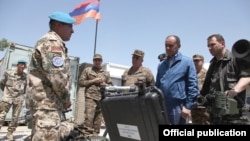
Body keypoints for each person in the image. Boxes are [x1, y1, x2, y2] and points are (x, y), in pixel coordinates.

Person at [25, 11, 76, 140]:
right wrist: (66, 99)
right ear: (58, 25)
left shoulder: (49, 41)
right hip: (47, 105)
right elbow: (57, 77)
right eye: (70, 26)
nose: (72, 31)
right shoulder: (52, 43)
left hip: (45, 104)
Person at [200, 34, 250, 124]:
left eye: (212, 44)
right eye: (208, 46)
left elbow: (246, 77)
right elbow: (206, 89)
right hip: (215, 115)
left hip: (234, 115)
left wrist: (235, 90)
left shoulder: (236, 59)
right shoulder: (212, 64)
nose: (209, 48)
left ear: (222, 43)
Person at [155, 35, 199, 125]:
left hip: (178, 107)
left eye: (170, 45)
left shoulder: (187, 62)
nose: (167, 48)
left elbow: (193, 86)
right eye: (166, 45)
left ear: (179, 46)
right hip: (162, 106)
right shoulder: (161, 65)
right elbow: (157, 86)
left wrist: (188, 106)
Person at [78, 54, 113, 137]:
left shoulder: (106, 73)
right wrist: (93, 81)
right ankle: (86, 138)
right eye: (95, 60)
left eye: (99, 60)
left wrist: (105, 85)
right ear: (93, 61)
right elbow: (81, 83)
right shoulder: (87, 70)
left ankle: (95, 138)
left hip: (101, 99)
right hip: (90, 98)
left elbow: (111, 86)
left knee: (97, 123)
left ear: (101, 61)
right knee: (88, 122)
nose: (97, 62)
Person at [0, 60, 27, 140]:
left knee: (15, 117)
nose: (22, 67)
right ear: (17, 65)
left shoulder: (25, 76)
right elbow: (2, 83)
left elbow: (25, 88)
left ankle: (10, 133)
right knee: (1, 115)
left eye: (24, 65)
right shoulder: (8, 73)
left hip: (18, 99)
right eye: (21, 65)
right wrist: (6, 93)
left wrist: (20, 95)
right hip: (7, 98)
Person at [191, 54, 208, 124]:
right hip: (194, 106)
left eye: (197, 61)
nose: (195, 63)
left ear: (202, 61)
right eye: (194, 61)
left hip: (205, 107)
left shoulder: (208, 73)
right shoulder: (191, 74)